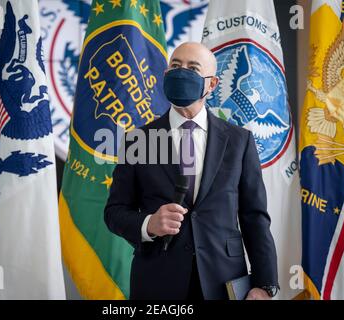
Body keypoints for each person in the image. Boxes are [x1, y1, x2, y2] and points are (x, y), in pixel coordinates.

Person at [104, 42, 279, 300]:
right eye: (175, 66)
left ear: (212, 84)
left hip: (224, 282)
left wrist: (265, 285)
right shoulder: (137, 141)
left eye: (192, 68)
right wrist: (148, 224)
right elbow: (114, 212)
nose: (181, 72)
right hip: (157, 281)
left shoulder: (239, 141)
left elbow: (255, 217)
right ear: (165, 75)